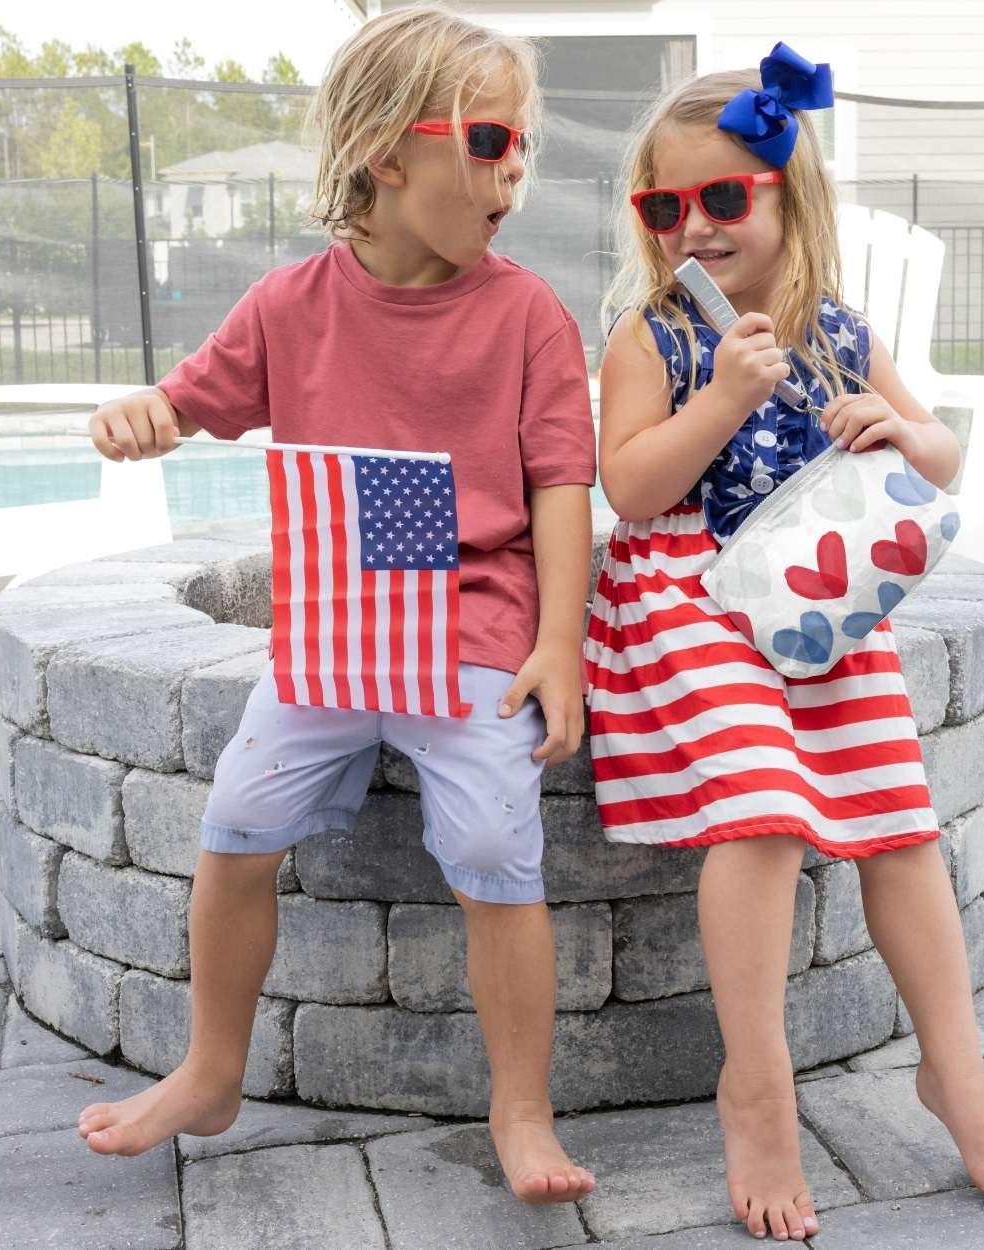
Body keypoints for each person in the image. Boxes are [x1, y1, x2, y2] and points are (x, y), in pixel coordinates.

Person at [77, 5, 598, 1205]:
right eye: (489, 140)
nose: (515, 168)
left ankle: (520, 1105)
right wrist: (139, 416)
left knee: (487, 843)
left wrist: (557, 643)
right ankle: (212, 1068)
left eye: (524, 143)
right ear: (387, 150)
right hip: (331, 635)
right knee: (237, 819)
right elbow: (186, 402)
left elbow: (560, 483)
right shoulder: (288, 306)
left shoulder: (523, 314)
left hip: (470, 623)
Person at [587, 43, 984, 1242]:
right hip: (689, 599)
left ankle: (957, 1070)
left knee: (896, 816)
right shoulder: (653, 334)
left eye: (723, 197)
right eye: (664, 205)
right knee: (761, 805)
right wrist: (724, 398)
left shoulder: (835, 328)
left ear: (790, 195)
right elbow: (629, 489)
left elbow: (939, 455)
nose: (693, 224)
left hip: (814, 601)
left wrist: (894, 423)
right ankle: (758, 1080)